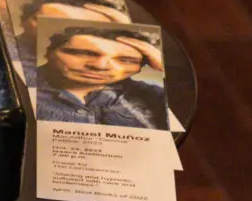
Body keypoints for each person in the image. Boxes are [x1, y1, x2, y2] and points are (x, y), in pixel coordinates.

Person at [32, 27, 167, 129]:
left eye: (126, 60)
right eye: (82, 53)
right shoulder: (21, 87)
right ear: (49, 53)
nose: (100, 66)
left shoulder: (153, 93)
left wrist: (164, 66)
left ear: (140, 68)